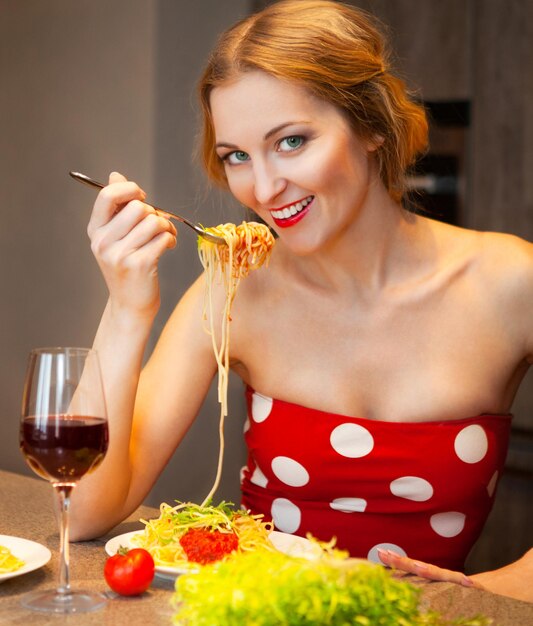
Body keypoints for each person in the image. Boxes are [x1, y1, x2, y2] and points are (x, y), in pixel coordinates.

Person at [71, 0, 533, 601]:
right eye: (237, 155)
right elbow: (83, 511)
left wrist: (485, 590)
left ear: (373, 126)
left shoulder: (510, 282)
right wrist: (126, 307)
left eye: (291, 142)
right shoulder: (235, 287)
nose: (261, 189)